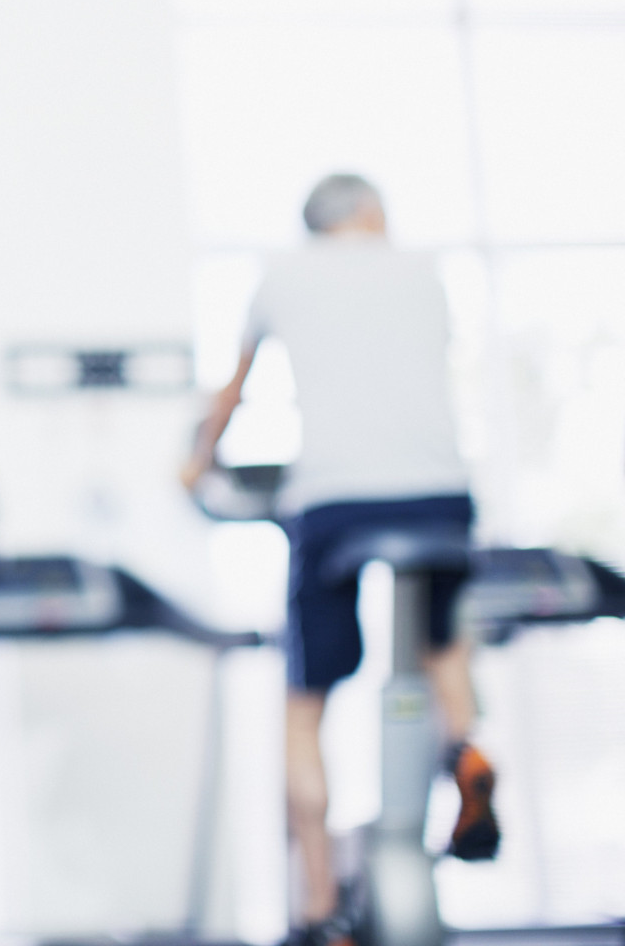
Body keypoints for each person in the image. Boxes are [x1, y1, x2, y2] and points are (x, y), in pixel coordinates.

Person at [182, 174, 499, 946]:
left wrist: (198, 462)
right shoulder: (423, 270)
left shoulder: (281, 274)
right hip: (438, 494)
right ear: (370, 213)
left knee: (305, 706)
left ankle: (321, 908)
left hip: (334, 500)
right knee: (443, 646)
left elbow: (235, 389)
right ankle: (468, 749)